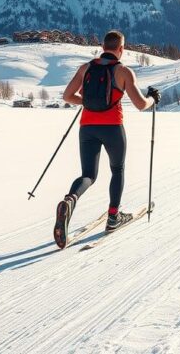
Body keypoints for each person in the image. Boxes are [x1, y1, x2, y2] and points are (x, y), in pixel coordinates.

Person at [53, 29, 160, 248]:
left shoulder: (86, 68)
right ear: (121, 49)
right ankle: (113, 217)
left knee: (88, 175)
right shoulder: (123, 71)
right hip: (112, 128)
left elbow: (67, 96)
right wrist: (153, 98)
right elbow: (141, 105)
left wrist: (87, 101)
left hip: (87, 128)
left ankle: (69, 200)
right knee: (117, 169)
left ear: (103, 47)